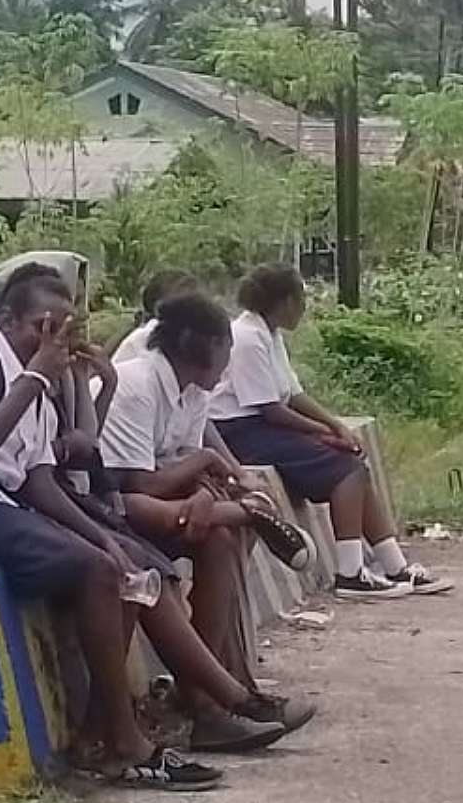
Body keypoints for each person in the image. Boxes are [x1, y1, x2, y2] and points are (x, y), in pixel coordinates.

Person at [0, 263, 304, 786]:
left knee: (119, 568)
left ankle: (118, 733)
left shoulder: (37, 386)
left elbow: (41, 482)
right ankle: (134, 740)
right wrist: (38, 375)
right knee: (97, 571)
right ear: (7, 319)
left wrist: (105, 539)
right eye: (43, 325)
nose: (55, 338)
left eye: (65, 328)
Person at [100, 292, 322, 742]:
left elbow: (186, 453)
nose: (228, 360)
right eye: (225, 346)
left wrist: (210, 482)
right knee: (224, 523)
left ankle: (213, 696)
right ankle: (212, 699)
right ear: (200, 344)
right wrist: (203, 466)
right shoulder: (136, 385)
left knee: (219, 541)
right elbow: (138, 483)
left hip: (170, 503)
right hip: (119, 508)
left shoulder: (193, 390)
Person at [210, 263, 453, 600]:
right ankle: (350, 573)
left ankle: (394, 564)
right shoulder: (247, 338)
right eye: (301, 299)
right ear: (285, 302)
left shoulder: (270, 334)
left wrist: (335, 425)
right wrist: (319, 434)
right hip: (241, 431)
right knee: (346, 470)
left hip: (262, 424)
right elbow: (271, 408)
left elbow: (293, 394)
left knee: (355, 462)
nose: (304, 308)